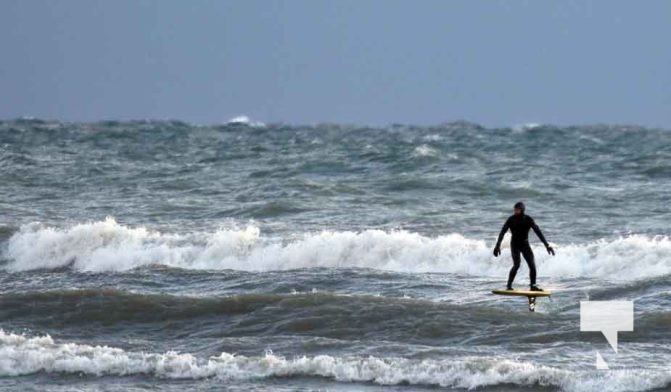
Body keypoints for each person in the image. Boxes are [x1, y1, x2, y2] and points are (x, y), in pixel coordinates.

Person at [493, 202, 554, 291]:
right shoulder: (511, 219)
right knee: (517, 264)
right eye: (514, 209)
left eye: (517, 210)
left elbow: (538, 232)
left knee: (532, 265)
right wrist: (497, 246)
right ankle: (509, 286)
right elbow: (502, 232)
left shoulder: (528, 219)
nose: (515, 211)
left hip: (525, 244)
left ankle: (533, 286)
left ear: (522, 210)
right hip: (515, 244)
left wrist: (547, 245)